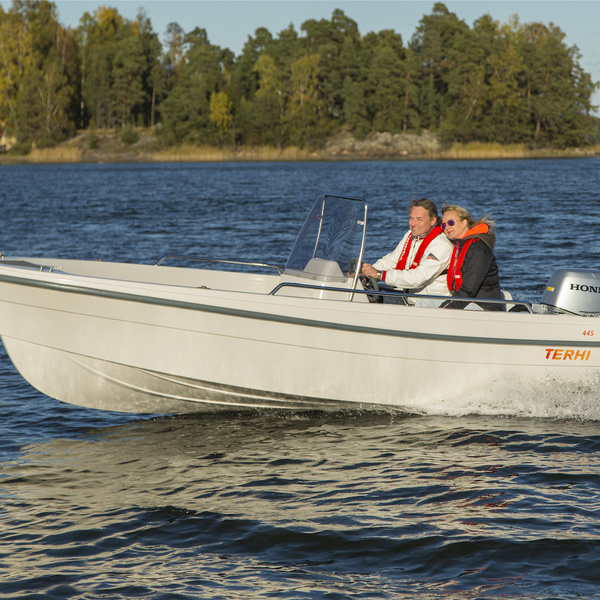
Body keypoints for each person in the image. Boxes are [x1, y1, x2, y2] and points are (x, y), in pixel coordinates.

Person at [361, 198, 453, 307]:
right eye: (411, 218)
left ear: (433, 221)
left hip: (429, 304)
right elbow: (392, 260)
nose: (413, 223)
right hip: (408, 297)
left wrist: (379, 274)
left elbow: (418, 278)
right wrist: (367, 272)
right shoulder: (411, 235)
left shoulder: (442, 245)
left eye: (419, 219)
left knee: (366, 301)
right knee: (363, 295)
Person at [440, 204, 503, 311]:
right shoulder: (460, 246)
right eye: (443, 225)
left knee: (432, 307)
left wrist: (445, 309)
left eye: (451, 223)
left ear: (464, 223)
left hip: (484, 307)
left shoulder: (477, 249)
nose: (447, 227)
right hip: (467, 302)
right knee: (423, 301)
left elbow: (468, 289)